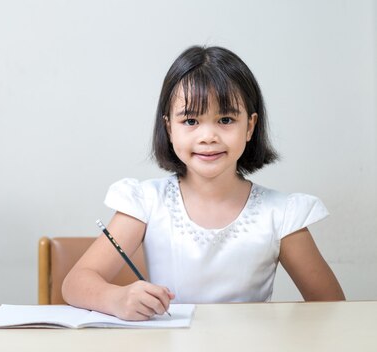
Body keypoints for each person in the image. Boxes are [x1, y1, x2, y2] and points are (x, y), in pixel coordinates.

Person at [61, 45, 345, 321]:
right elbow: (75, 283)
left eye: (225, 119)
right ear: (169, 127)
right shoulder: (146, 202)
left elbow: (333, 309)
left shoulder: (283, 214)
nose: (208, 136)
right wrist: (117, 298)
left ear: (250, 126)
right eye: (191, 121)